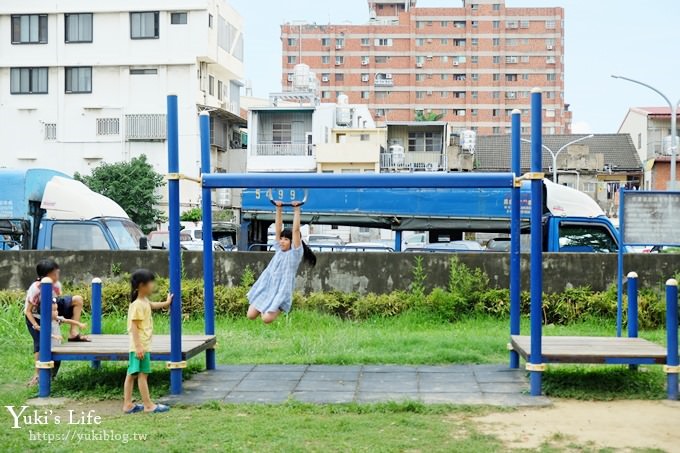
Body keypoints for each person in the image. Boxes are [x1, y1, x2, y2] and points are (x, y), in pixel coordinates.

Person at [247, 202, 316, 324]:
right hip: (267, 285)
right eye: (282, 238)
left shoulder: (295, 254)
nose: (282, 241)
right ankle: (266, 305)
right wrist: (278, 209)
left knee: (266, 319)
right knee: (250, 315)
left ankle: (278, 306)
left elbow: (295, 230)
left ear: (292, 242)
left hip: (281, 289)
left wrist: (297, 210)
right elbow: (278, 226)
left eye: (286, 239)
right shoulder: (279, 249)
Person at [24, 259, 89, 387]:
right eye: (54, 274)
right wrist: (36, 326)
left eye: (57, 273)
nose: (57, 276)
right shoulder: (35, 289)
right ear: (45, 276)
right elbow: (28, 311)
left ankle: (73, 333)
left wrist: (56, 318)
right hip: (36, 316)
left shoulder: (56, 285)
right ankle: (37, 375)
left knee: (77, 300)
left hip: (51, 308)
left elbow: (55, 301)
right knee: (40, 345)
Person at [123, 269, 172, 414]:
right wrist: (138, 346)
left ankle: (128, 404)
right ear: (141, 285)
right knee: (141, 374)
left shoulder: (144, 301)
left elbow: (152, 305)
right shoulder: (137, 304)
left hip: (142, 345)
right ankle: (148, 405)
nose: (152, 286)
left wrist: (166, 303)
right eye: (150, 283)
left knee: (132, 373)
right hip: (140, 346)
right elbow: (133, 326)